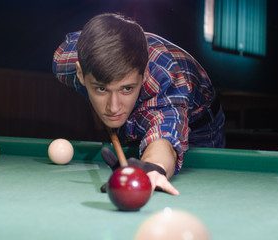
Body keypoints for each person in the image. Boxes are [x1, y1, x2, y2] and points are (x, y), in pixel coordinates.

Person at [52, 13, 225, 196]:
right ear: (80, 74)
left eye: (126, 88)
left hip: (199, 125)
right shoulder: (65, 63)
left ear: (143, 75)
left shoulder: (165, 80)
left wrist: (152, 168)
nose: (113, 107)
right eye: (101, 89)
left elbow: (164, 134)